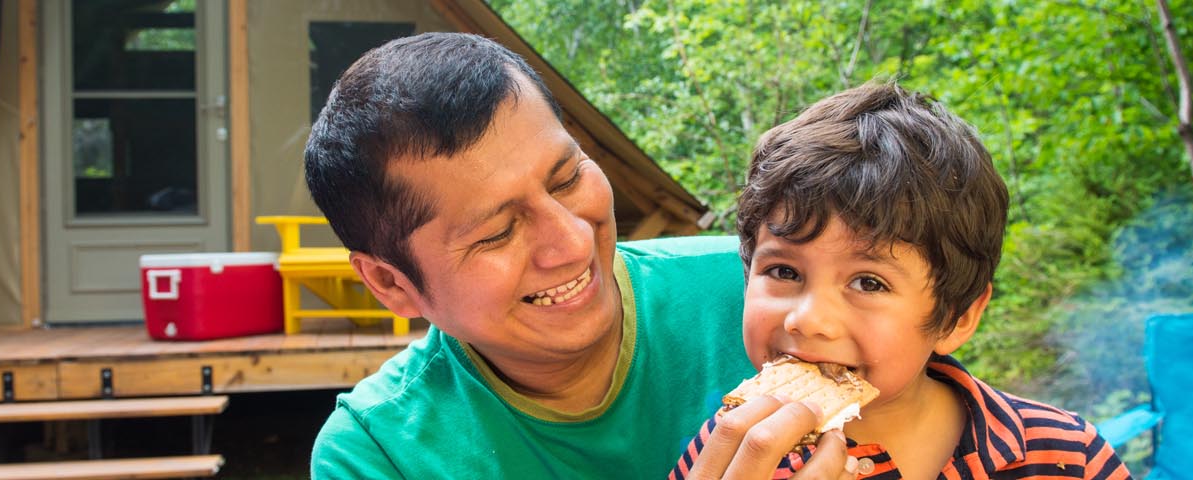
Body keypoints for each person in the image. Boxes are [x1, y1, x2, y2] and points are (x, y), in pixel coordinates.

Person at [303, 32, 790, 477]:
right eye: (496, 232)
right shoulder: (378, 454)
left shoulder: (771, 291)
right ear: (392, 284)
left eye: (568, 179)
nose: (574, 241)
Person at [673, 84, 1132, 479]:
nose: (808, 319)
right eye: (784, 272)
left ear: (956, 317)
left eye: (869, 283)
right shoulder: (731, 450)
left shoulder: (1065, 456)